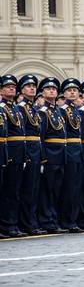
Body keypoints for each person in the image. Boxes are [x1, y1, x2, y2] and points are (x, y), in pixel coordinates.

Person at [37, 77, 67, 234]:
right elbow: (40, 137)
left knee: (57, 190)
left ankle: (54, 219)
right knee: (47, 190)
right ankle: (46, 220)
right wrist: (42, 158)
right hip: (50, 154)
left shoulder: (58, 111)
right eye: (48, 89)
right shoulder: (42, 112)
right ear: (42, 92)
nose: (51, 91)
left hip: (61, 155)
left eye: (54, 89)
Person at [0, 75, 26, 237]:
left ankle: (12, 224)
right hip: (7, 154)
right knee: (6, 192)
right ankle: (5, 225)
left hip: (17, 154)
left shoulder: (15, 108)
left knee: (14, 192)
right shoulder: (2, 108)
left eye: (13, 86)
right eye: (8, 86)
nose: (11, 88)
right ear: (1, 89)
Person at [59, 78, 84, 233]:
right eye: (69, 90)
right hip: (69, 150)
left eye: (75, 90)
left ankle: (73, 219)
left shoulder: (76, 110)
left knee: (76, 188)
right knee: (69, 187)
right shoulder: (62, 110)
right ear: (64, 93)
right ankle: (67, 220)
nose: (73, 92)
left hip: (78, 149)